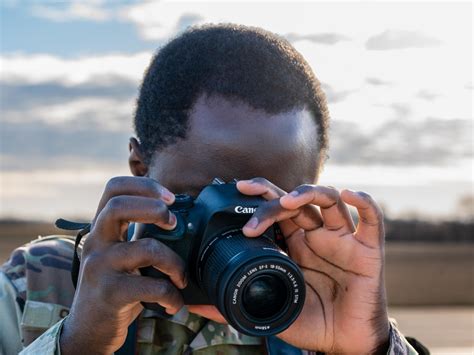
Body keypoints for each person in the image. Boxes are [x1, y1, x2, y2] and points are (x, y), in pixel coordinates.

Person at [0, 24, 428, 355]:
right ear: (140, 168)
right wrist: (77, 342)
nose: (244, 233)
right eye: (207, 200)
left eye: (271, 206)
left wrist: (369, 346)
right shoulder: (39, 284)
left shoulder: (322, 295)